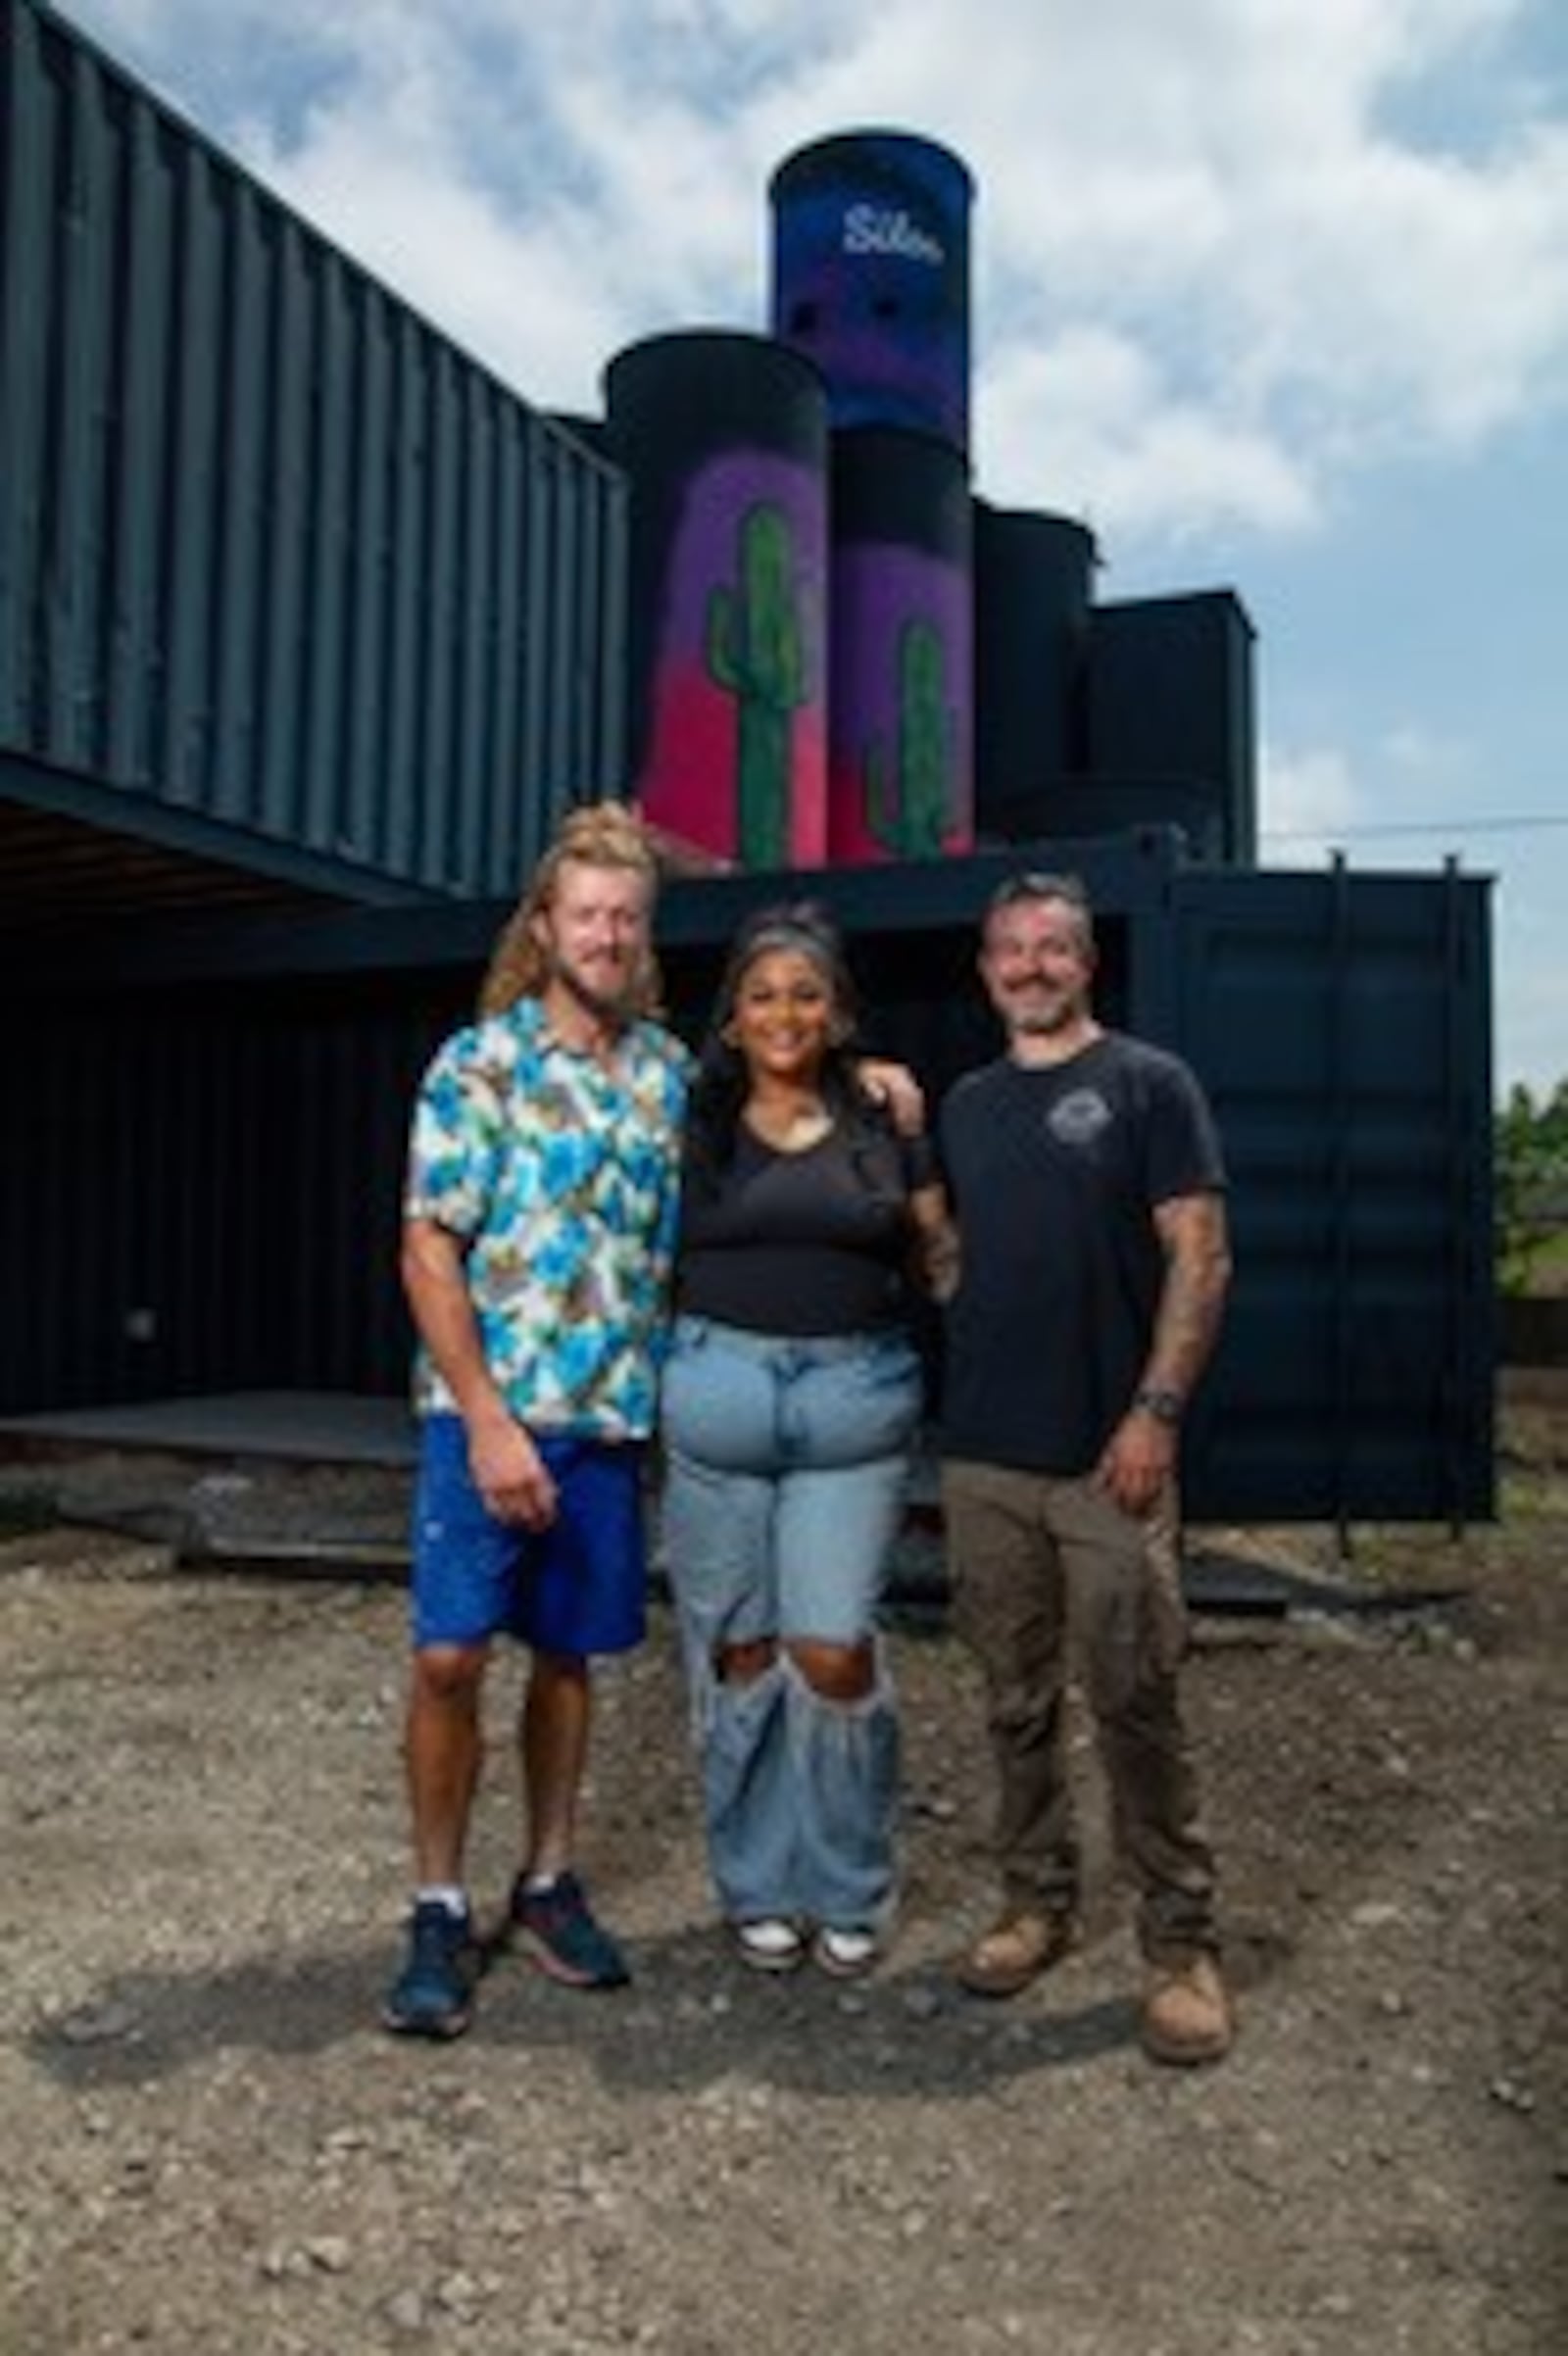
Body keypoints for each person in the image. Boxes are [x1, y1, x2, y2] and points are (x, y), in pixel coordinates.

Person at [383, 801, 690, 2038]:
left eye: (626, 917)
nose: (606, 935)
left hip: (608, 1422)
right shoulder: (479, 1065)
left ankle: (548, 1878)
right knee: (450, 1654)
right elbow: (424, 1250)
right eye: (587, 914)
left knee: (566, 1657)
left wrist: (870, 1078)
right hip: (486, 1419)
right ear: (545, 924)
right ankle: (439, 1904)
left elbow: (782, 1114)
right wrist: (488, 1421)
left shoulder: (670, 1075)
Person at [938, 870, 1236, 2065]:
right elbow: (958, 1252)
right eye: (1011, 949)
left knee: (1133, 1700)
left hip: (1110, 1456)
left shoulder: (1148, 1084)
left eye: (1053, 946)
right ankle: (1035, 1903)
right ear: (985, 968)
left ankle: (1180, 1945)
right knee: (1012, 1702)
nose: (1031, 966)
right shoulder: (962, 1103)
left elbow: (1201, 1257)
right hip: (984, 1461)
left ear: (1085, 962)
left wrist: (1154, 1411)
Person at [660, 904, 954, 1979]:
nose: (784, 1011)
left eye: (806, 992)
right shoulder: (686, 1115)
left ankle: (848, 1882)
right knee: (738, 1654)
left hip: (852, 1406)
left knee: (830, 1651)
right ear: (732, 1018)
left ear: (837, 1014)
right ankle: (756, 1883)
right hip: (714, 1402)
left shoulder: (887, 1117)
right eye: (763, 993)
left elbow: (940, 1254)